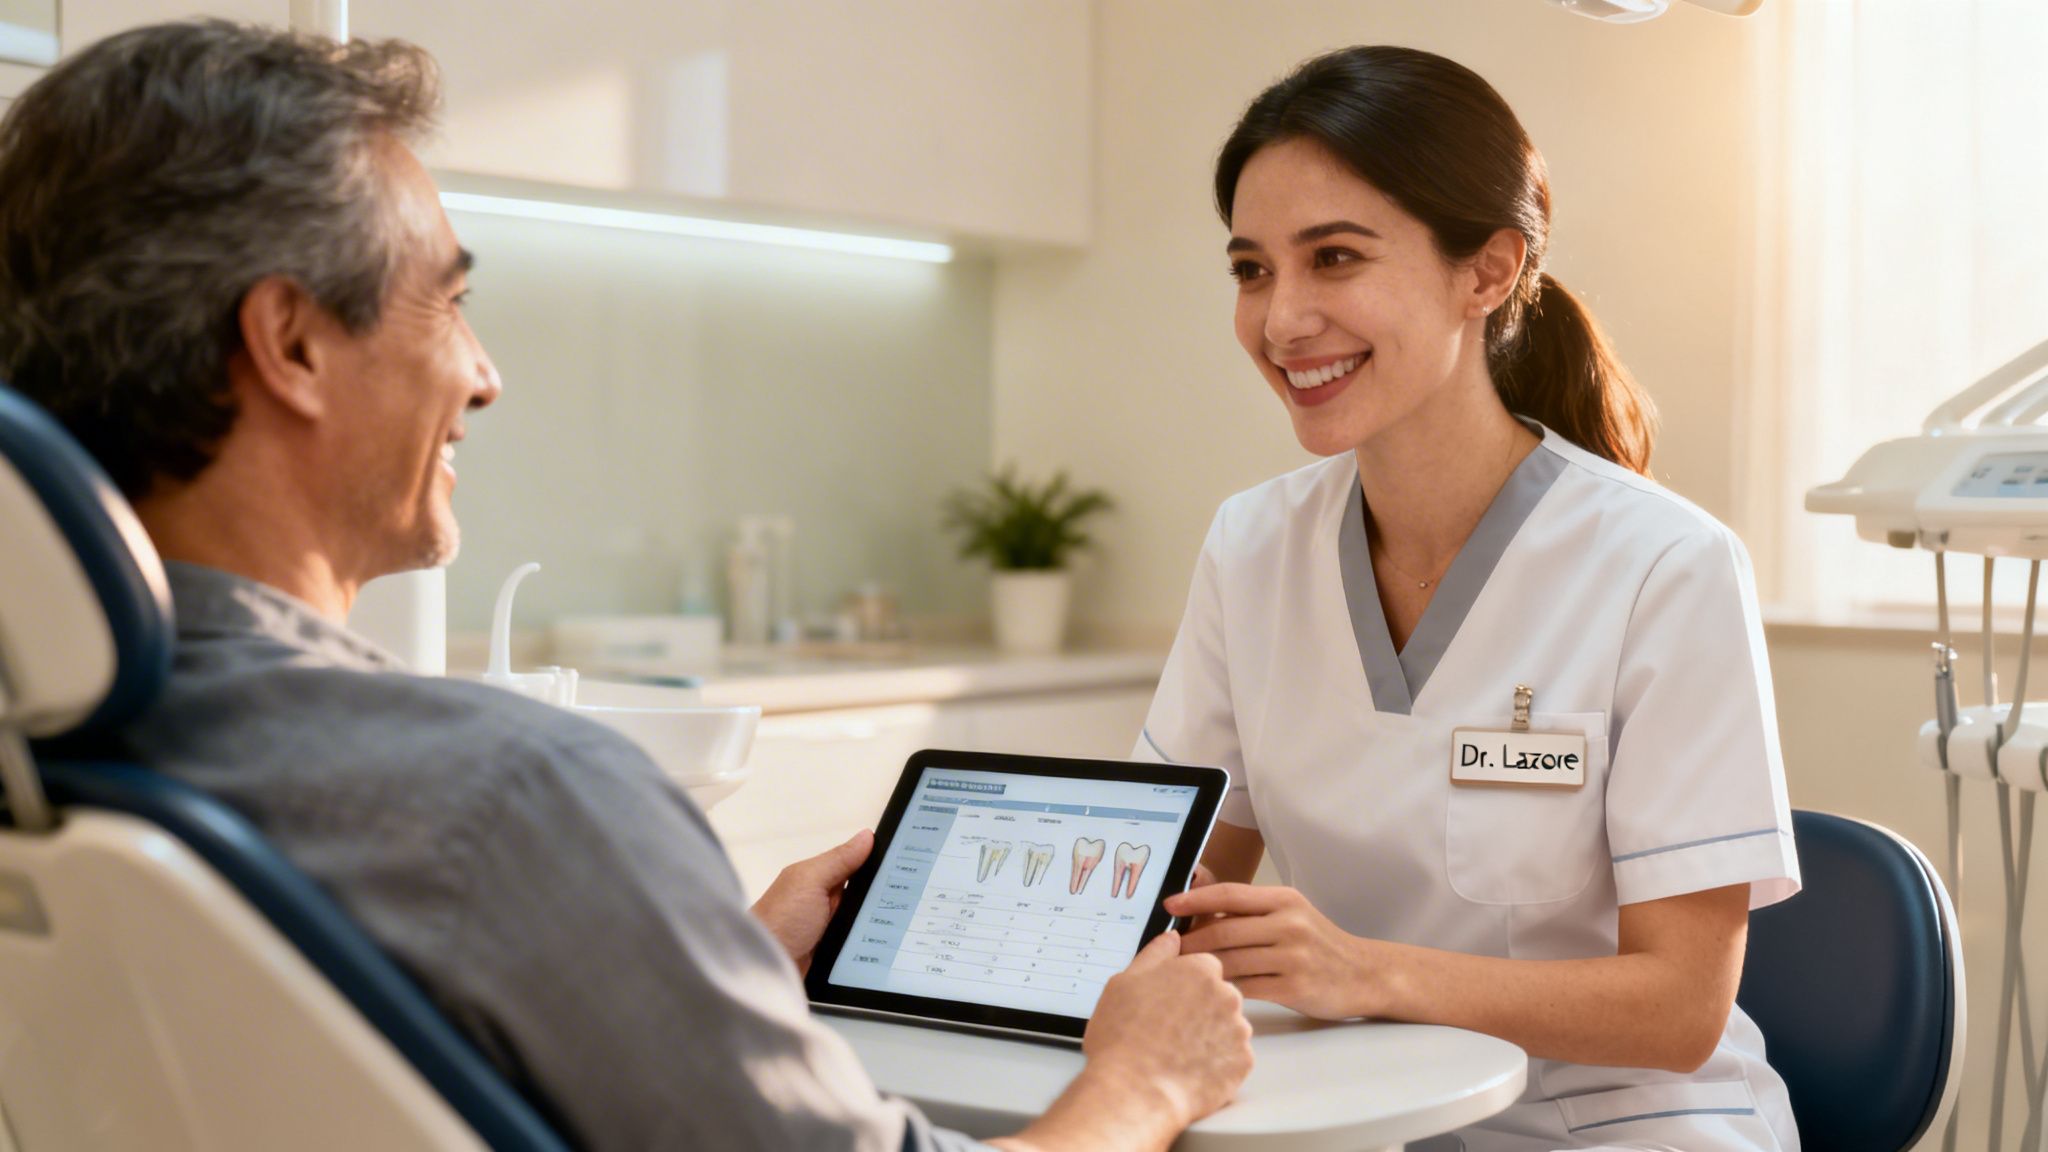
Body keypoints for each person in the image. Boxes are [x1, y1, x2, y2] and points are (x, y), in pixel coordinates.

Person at [0, 20, 1252, 1152]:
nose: (484, 376)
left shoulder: (68, 775)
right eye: (450, 303)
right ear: (290, 344)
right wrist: (1141, 1081)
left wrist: (682, 967)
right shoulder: (508, 797)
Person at [1135, 46, 1800, 1152]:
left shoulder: (1663, 566)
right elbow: (1176, 882)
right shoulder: (1251, 545)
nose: (1280, 318)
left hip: (1613, 1121)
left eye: (1333, 258)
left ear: (1486, 271)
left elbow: (1680, 1009)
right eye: (1250, 270)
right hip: (1346, 1101)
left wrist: (1362, 972)